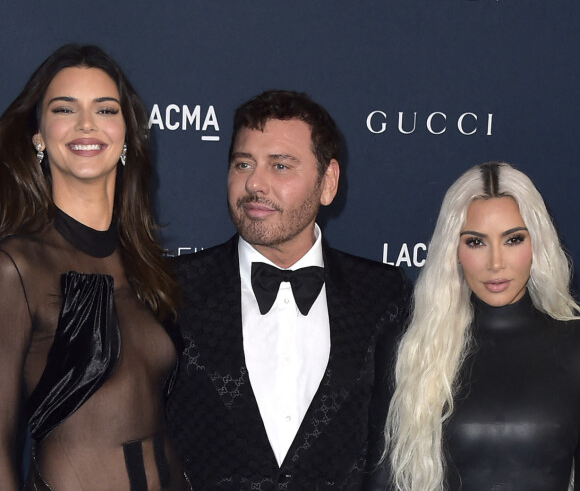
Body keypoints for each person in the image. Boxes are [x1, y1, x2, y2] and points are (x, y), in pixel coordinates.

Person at [167, 89, 410, 490]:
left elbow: (403, 443)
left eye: (280, 166)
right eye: (243, 163)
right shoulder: (170, 288)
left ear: (328, 182)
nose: (254, 183)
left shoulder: (382, 294)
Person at [0, 44, 190, 490]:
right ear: (39, 136)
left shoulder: (146, 266)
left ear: (126, 135)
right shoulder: (17, 267)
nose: (87, 123)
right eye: (65, 108)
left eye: (105, 109)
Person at [385, 161, 580, 491]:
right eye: (476, 242)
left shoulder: (575, 345)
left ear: (538, 244)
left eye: (513, 239)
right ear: (453, 251)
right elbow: (383, 481)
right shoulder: (411, 350)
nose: (495, 263)